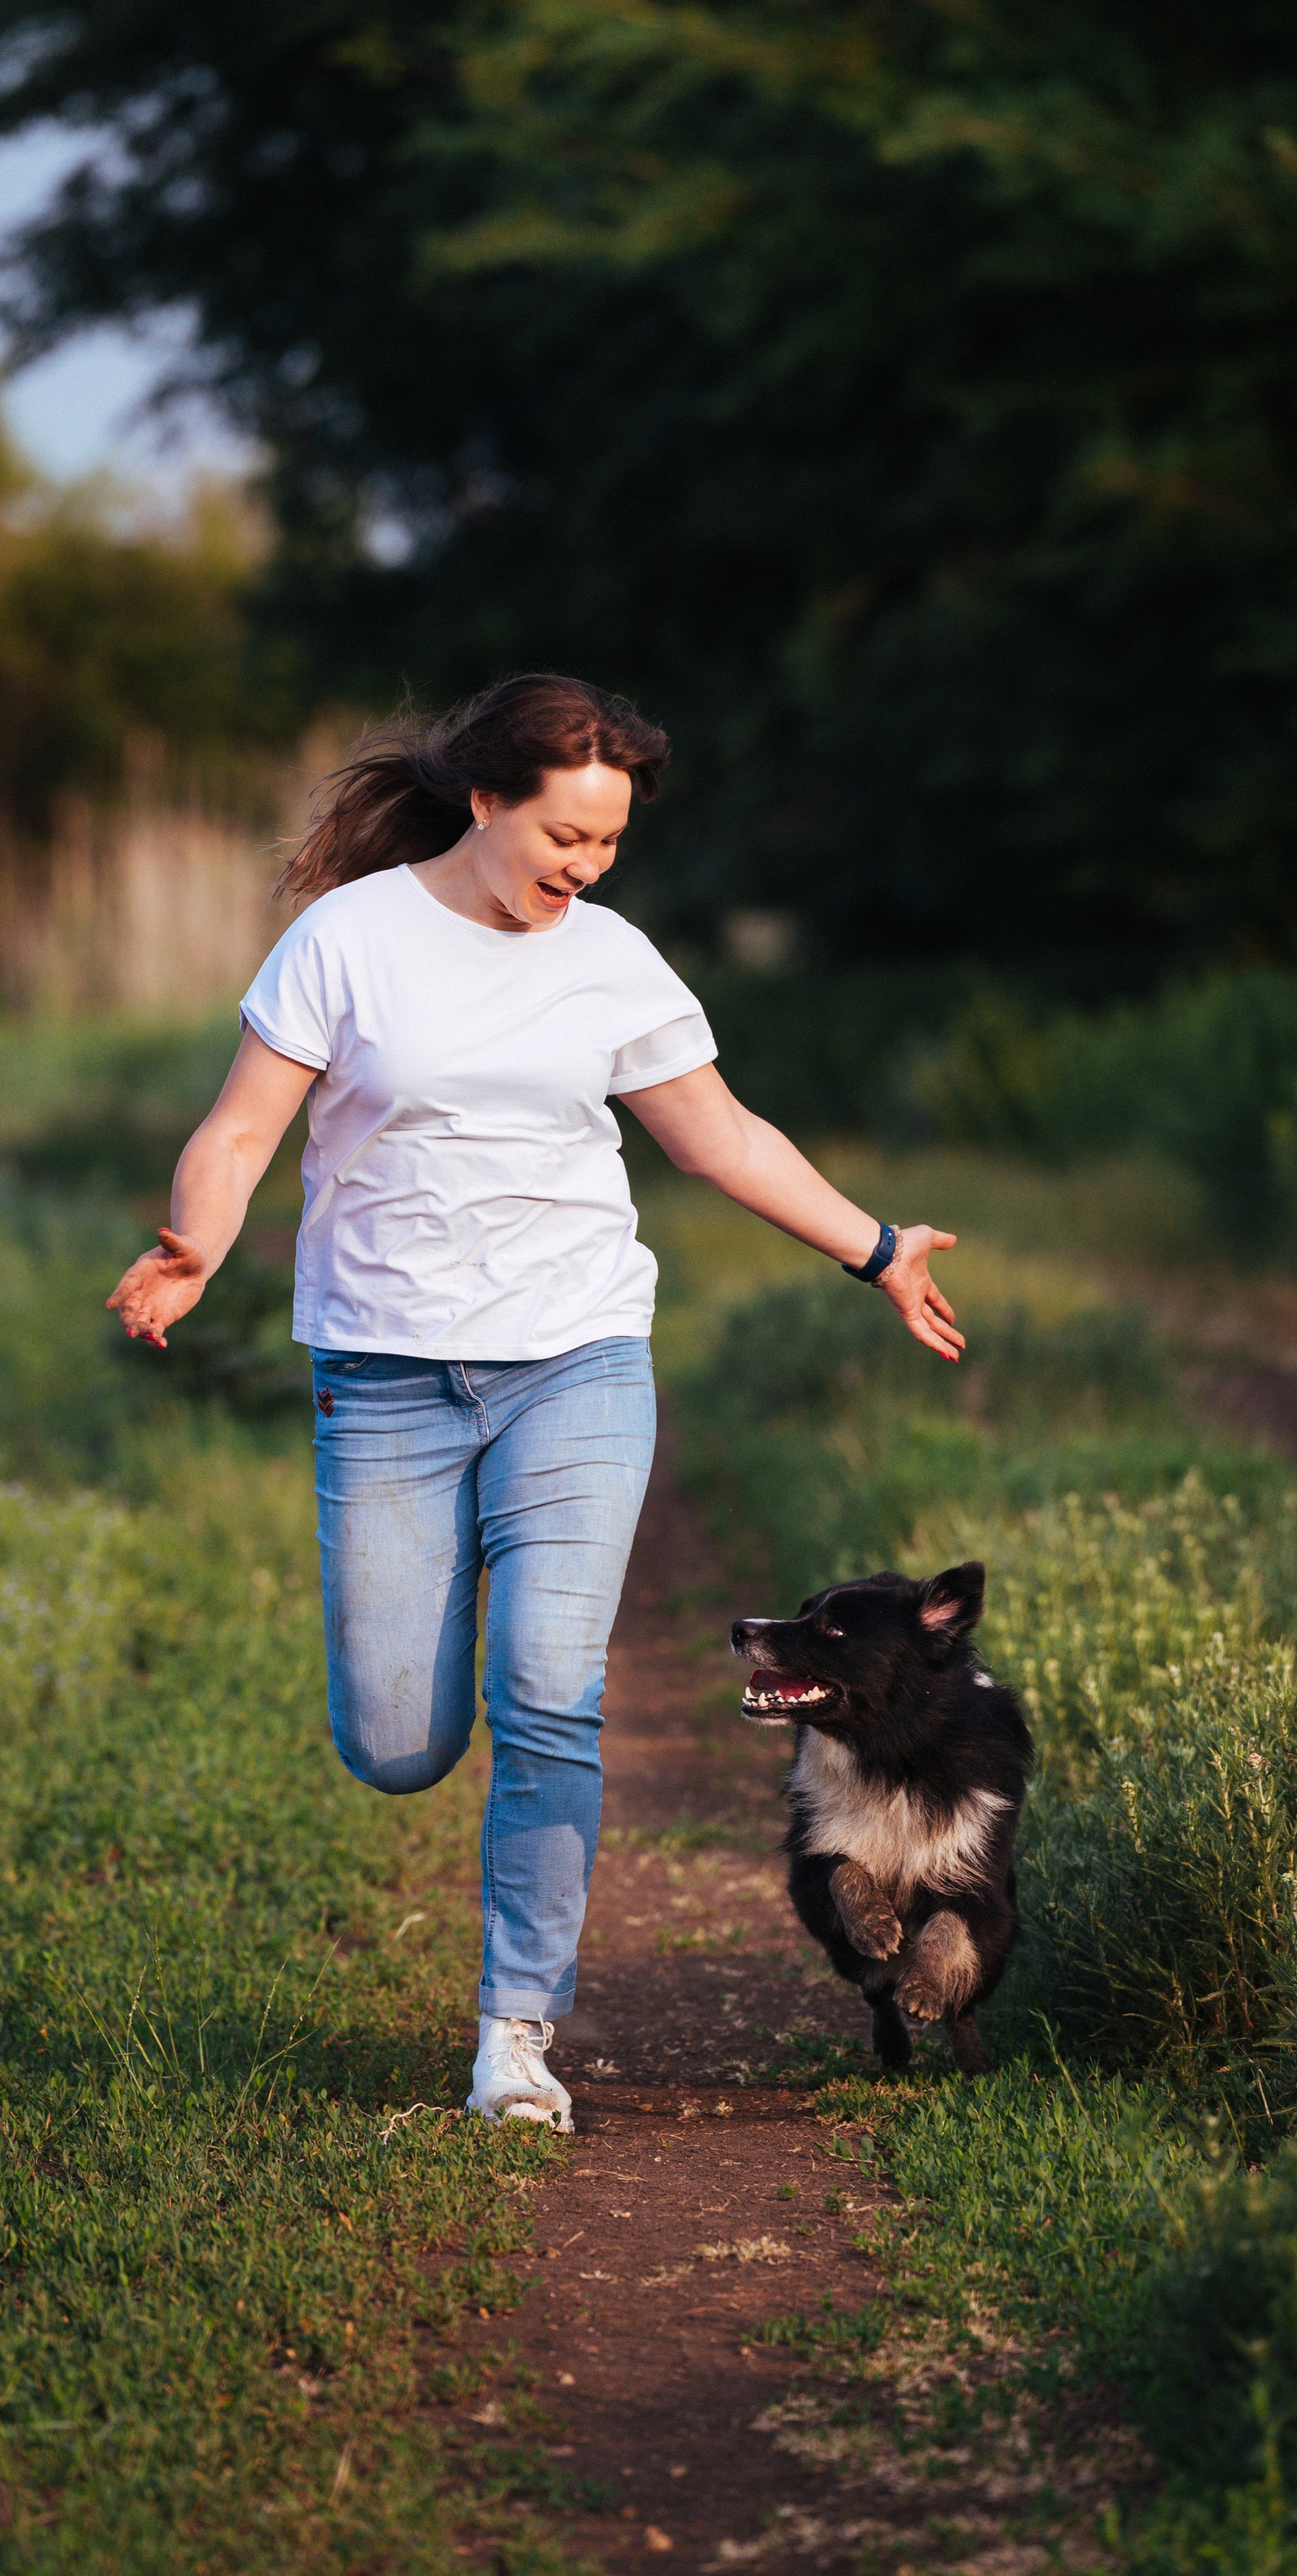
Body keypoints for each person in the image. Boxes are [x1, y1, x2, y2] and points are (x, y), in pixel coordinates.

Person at [106, 672, 963, 2132]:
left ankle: (516, 2036)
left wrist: (872, 1247)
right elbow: (242, 1128)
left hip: (576, 1362)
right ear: (486, 799)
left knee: (552, 1702)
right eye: (566, 835)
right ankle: (458, 1866)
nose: (586, 867)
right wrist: (196, 1245)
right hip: (384, 1376)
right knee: (398, 1742)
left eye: (612, 842)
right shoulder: (350, 940)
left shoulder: (612, 960)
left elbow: (720, 1134)